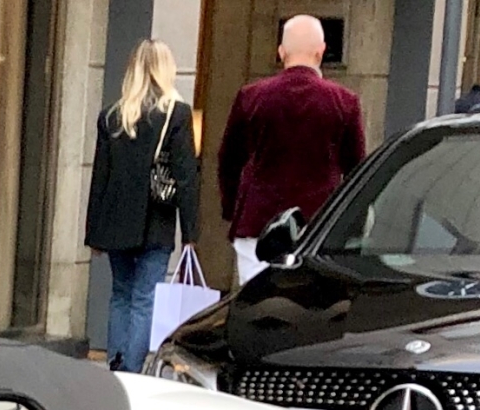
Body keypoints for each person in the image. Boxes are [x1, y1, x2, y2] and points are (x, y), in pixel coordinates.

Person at [218, 16, 364, 283]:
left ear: (281, 52)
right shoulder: (345, 102)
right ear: (321, 51)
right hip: (318, 226)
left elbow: (229, 160)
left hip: (257, 222)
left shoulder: (251, 97)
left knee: (255, 306)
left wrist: (231, 208)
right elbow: (357, 170)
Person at [84, 40, 200, 371]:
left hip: (115, 221)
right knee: (143, 299)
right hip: (156, 220)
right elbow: (186, 176)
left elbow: (100, 178)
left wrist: (93, 233)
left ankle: (117, 364)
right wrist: (191, 231)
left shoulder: (111, 116)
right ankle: (133, 370)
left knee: (120, 294)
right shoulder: (176, 114)